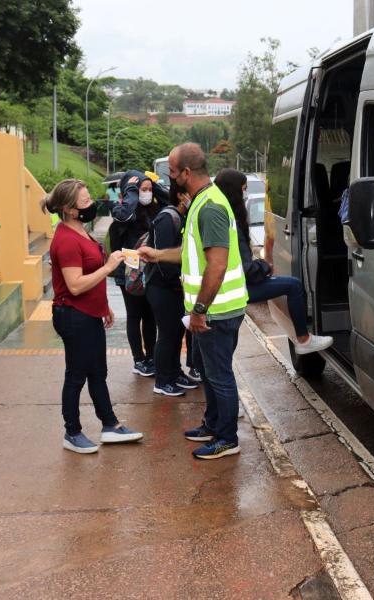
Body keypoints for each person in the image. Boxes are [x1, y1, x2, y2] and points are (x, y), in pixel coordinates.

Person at [139, 143, 247, 460]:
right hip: (208, 311)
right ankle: (213, 424)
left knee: (220, 375)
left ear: (187, 173)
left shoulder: (210, 206)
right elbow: (190, 254)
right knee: (211, 374)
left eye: (172, 172)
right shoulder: (201, 203)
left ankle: (227, 438)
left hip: (216, 311)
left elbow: (217, 265)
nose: (169, 178)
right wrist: (157, 253)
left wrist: (199, 311)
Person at [41, 179, 144, 454]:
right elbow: (74, 285)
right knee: (77, 375)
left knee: (98, 372)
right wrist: (110, 266)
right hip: (73, 316)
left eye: (89, 199)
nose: (91, 205)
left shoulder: (81, 230)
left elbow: (89, 278)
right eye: (85, 202)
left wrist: (103, 307)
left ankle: (109, 425)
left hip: (88, 313)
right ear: (69, 209)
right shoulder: (65, 240)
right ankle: (72, 432)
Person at [215, 168, 333, 355]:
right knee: (293, 286)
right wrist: (265, 266)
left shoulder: (220, 214)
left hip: (229, 288)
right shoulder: (232, 223)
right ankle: (303, 339)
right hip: (237, 288)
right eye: (243, 190)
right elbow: (246, 269)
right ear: (233, 191)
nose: (245, 195)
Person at [145, 182, 199, 396]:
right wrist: (177, 282)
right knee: (167, 334)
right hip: (161, 287)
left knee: (177, 332)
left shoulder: (181, 217)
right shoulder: (167, 218)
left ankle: (175, 372)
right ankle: (162, 380)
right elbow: (162, 257)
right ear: (181, 195)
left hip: (175, 288)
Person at [108, 170, 160, 377]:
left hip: (149, 271)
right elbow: (124, 216)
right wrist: (131, 192)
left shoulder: (154, 210)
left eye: (149, 190)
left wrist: (152, 185)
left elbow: (167, 197)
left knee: (150, 316)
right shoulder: (122, 212)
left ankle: (151, 357)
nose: (146, 193)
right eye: (142, 190)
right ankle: (138, 359)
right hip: (128, 273)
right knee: (135, 315)